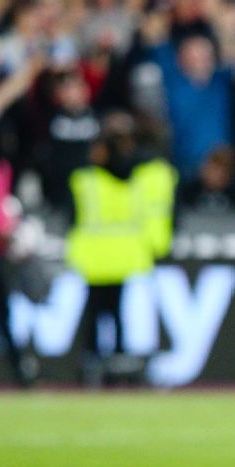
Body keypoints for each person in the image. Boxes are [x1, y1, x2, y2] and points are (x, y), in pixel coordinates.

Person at [66, 112, 176, 384]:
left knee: (96, 313)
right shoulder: (139, 177)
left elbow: (72, 216)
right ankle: (118, 365)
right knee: (117, 314)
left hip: (94, 257)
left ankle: (93, 366)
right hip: (126, 256)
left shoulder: (86, 179)